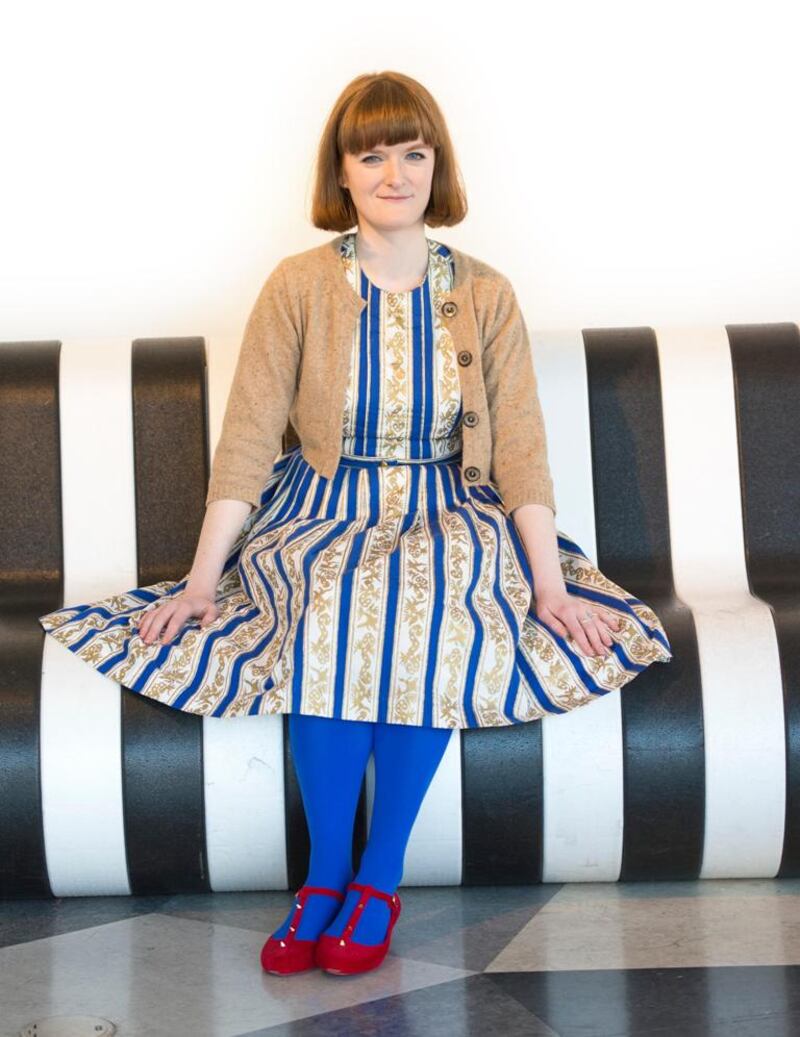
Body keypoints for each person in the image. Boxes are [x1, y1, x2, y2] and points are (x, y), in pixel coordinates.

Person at [38, 70, 673, 977]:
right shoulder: (298, 285)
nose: (395, 174)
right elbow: (248, 437)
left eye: (414, 153)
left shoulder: (485, 292)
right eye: (372, 156)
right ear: (341, 171)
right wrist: (203, 580)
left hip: (449, 503)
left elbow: (523, 450)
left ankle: (378, 876)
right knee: (330, 603)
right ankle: (325, 873)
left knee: (427, 599)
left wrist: (549, 586)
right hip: (324, 502)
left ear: (437, 165)